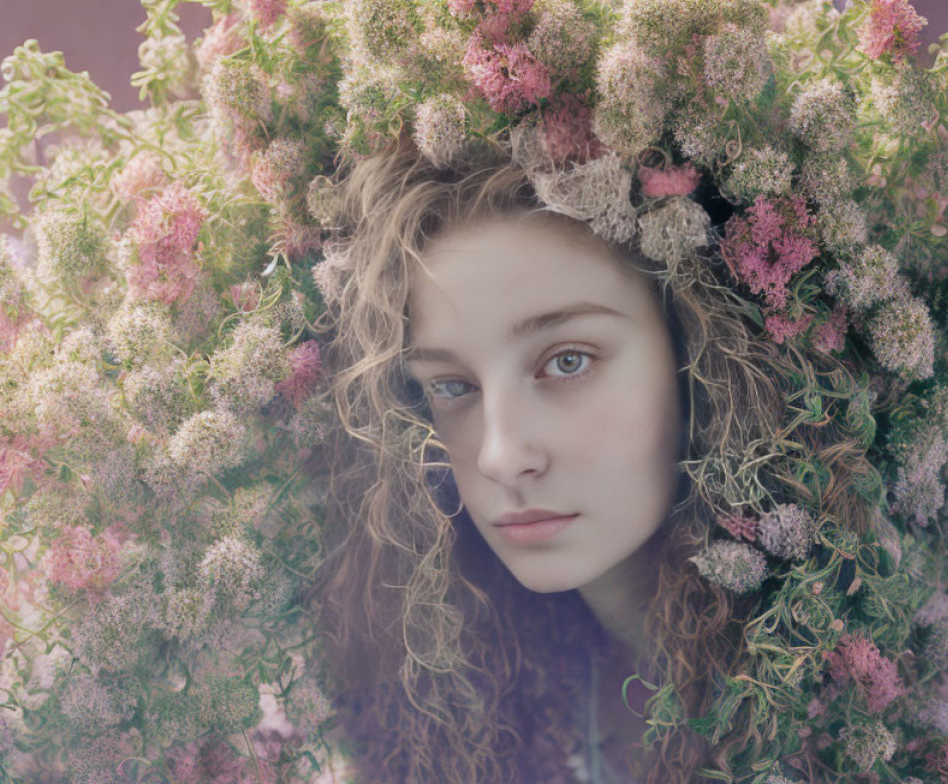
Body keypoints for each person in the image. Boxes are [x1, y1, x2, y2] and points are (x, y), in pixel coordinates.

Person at [311, 143, 876, 784]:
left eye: (567, 361)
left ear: (700, 351)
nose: (500, 458)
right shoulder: (481, 708)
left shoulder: (861, 704)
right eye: (451, 386)